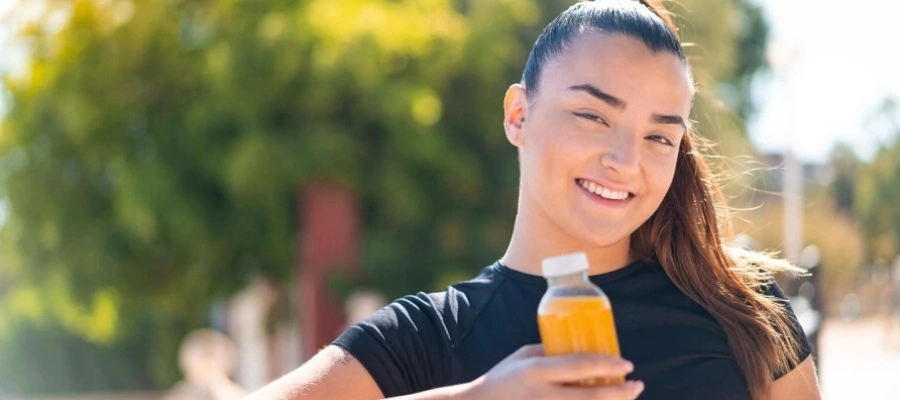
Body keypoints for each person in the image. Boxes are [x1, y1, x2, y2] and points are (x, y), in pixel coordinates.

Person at [247, 1, 821, 399]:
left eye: (659, 136)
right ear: (518, 115)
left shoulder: (741, 308)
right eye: (594, 116)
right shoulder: (429, 339)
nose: (625, 160)